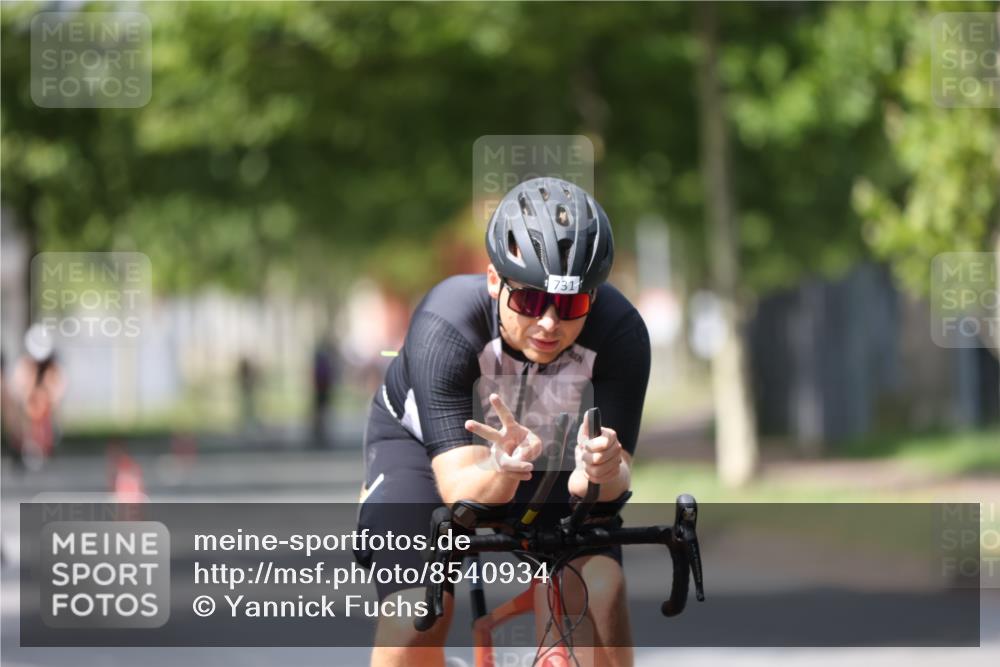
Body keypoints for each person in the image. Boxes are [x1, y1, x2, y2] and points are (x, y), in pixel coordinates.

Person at [356, 177, 650, 667]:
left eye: (572, 304)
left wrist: (599, 471)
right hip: (428, 454)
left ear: (593, 299)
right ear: (495, 280)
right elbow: (460, 491)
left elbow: (613, 483)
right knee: (415, 617)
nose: (550, 324)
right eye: (531, 301)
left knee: (600, 589)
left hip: (548, 456)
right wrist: (500, 470)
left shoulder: (621, 334)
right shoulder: (446, 323)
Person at [11, 324, 66, 471]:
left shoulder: (53, 368)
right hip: (29, 409)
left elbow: (58, 391)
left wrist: (47, 394)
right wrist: (30, 388)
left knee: (41, 404)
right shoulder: (24, 365)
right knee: (29, 407)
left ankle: (47, 440)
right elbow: (19, 392)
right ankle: (27, 443)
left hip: (46, 409)